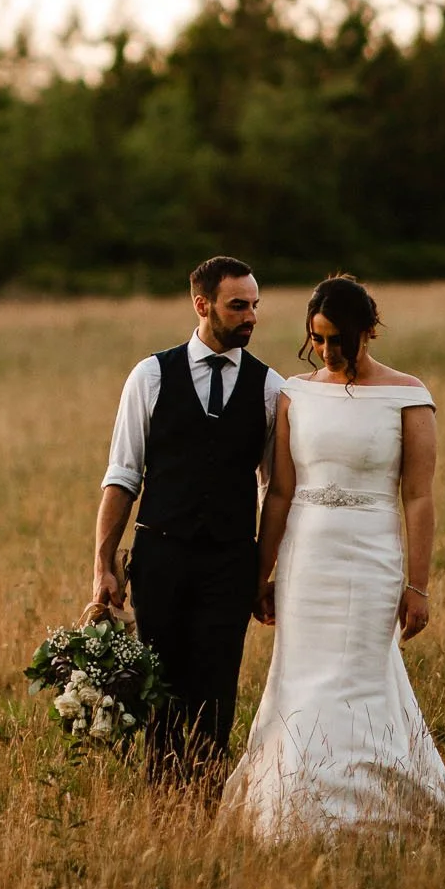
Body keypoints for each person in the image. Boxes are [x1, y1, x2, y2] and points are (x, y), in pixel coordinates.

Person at [218, 273, 445, 837]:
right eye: (316, 339)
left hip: (372, 555)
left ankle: (372, 803)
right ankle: (297, 807)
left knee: (359, 676)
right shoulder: (296, 393)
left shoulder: (408, 395)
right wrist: (260, 574)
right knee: (301, 682)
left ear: (367, 331)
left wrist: (417, 587)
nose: (326, 351)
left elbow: (417, 497)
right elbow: (280, 494)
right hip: (307, 556)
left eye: (337, 339)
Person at [91, 255, 282, 780]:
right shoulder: (151, 375)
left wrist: (262, 573)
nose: (250, 317)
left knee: (217, 685)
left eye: (254, 306)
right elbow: (122, 475)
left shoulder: (270, 389)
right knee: (160, 685)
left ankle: (204, 795)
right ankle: (162, 798)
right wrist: (103, 565)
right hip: (160, 556)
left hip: (230, 561)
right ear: (202, 305)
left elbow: (275, 492)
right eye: (237, 305)